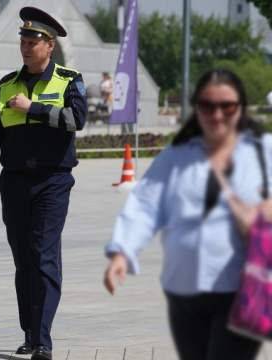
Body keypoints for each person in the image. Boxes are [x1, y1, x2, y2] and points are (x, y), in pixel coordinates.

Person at [103, 69, 267, 360]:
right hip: (183, 289)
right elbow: (145, 204)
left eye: (226, 107)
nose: (217, 115)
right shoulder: (176, 156)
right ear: (196, 108)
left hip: (241, 289)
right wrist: (122, 252)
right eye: (207, 106)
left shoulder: (262, 152)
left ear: (240, 108)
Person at [0, 7, 87, 360]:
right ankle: (29, 332)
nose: (26, 46)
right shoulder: (7, 84)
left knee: (43, 256)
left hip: (53, 180)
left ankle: (42, 341)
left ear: (49, 45)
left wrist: (33, 108)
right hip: (15, 182)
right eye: (23, 40)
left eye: (33, 41)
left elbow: (77, 119)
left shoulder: (69, 79)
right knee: (23, 259)